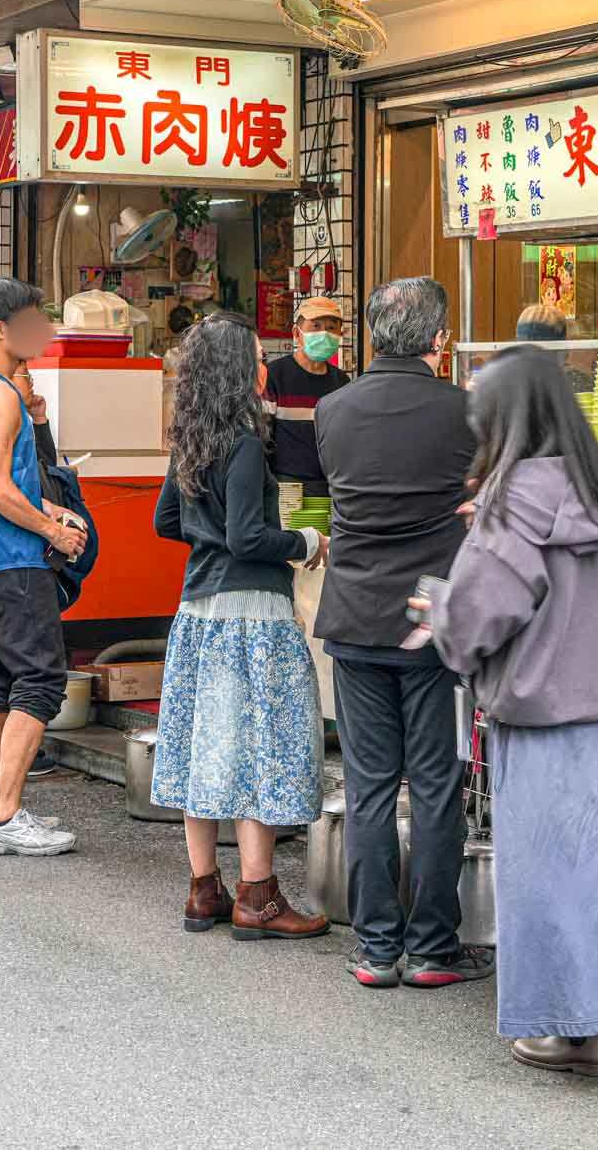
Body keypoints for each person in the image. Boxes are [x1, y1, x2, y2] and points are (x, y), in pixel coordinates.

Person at [421, 344, 598, 1077]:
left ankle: (569, 1032)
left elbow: (480, 614)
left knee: (548, 881)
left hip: (540, 724)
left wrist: (441, 606)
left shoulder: (516, 502)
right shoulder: (596, 491)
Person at [313, 278, 490, 988]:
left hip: (354, 617)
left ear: (370, 335)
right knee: (438, 783)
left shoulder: (332, 408)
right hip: (432, 621)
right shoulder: (467, 412)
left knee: (369, 786)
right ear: (439, 341)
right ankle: (432, 947)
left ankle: (376, 948)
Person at [154, 312, 329, 939]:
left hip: (197, 612)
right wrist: (306, 539)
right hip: (253, 614)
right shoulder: (249, 442)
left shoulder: (191, 438)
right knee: (260, 745)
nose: (265, 365)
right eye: (257, 356)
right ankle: (259, 896)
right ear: (239, 372)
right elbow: (248, 537)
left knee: (206, 745)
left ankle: (204, 889)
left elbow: (165, 524)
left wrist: (210, 537)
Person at [0, 277, 85, 854]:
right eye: (36, 320)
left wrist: (50, 507)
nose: (47, 331)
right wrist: (52, 528)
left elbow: (7, 483)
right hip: (10, 561)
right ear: (2, 330)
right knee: (40, 680)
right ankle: (5, 815)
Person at [263, 295, 349, 498]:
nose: (324, 334)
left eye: (331, 328)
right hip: (285, 487)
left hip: (330, 488)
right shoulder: (274, 376)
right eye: (316, 326)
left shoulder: (342, 383)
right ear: (297, 333)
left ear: (340, 334)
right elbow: (261, 438)